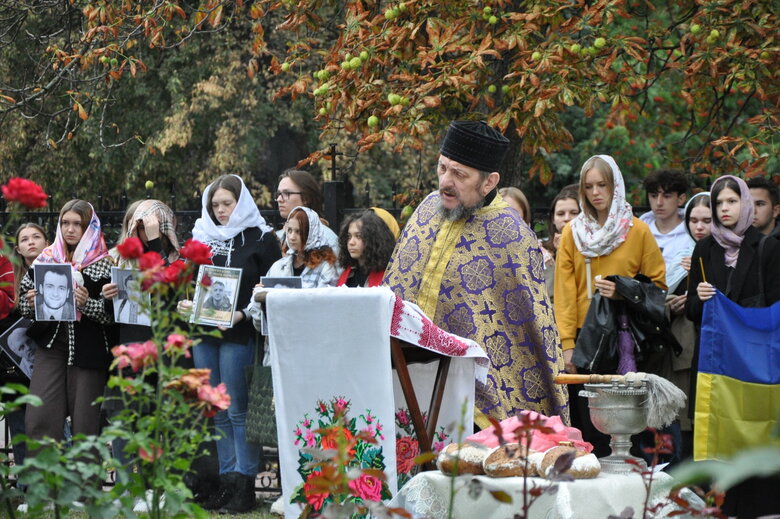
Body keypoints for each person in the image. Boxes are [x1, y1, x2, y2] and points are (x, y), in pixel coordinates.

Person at [384, 120, 568, 428]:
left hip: (474, 397)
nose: (445, 181)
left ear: (489, 182)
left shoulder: (512, 235)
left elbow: (530, 330)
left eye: (459, 174)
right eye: (442, 168)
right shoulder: (426, 211)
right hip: (403, 375)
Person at [181, 174, 281, 514]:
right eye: (215, 205)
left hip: (239, 333)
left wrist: (242, 313)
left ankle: (245, 484)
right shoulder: (202, 236)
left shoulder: (261, 238)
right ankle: (226, 482)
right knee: (216, 409)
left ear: (242, 203)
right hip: (204, 332)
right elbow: (191, 281)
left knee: (237, 408)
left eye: (227, 203)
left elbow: (271, 287)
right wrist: (187, 303)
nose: (221, 210)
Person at [554, 155, 666, 456]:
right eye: (589, 186)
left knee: (628, 424)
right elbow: (564, 293)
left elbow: (658, 287)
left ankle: (630, 480)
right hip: (586, 339)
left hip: (627, 338)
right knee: (589, 423)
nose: (595, 193)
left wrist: (622, 292)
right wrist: (567, 344)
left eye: (602, 185)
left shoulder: (638, 230)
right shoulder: (572, 232)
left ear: (615, 186)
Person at [685, 176, 780, 517]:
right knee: (715, 436)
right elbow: (692, 312)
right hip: (713, 363)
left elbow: (774, 310)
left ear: (745, 204)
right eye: (718, 203)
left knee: (753, 431)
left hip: (753, 364)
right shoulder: (704, 249)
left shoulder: (767, 247)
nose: (724, 209)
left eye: (732, 201)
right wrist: (698, 298)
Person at [18, 199, 114, 448]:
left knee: (85, 427)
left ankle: (85, 475)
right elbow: (23, 304)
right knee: (39, 419)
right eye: (65, 223)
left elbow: (111, 316)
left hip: (88, 352)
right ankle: (43, 474)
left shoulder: (104, 263)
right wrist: (31, 302)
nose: (70, 229)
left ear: (89, 227)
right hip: (51, 348)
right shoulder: (46, 258)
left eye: (77, 224)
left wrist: (86, 303)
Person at [664, 191, 710, 460]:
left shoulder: (725, 256)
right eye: (694, 220)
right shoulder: (679, 256)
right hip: (681, 352)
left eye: (707, 220)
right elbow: (659, 295)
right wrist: (670, 304)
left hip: (710, 350)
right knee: (682, 425)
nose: (699, 227)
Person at [640, 169, 693, 292]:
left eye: (667, 196)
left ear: (681, 199)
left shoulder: (693, 232)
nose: (659, 202)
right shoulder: (639, 230)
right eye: (654, 196)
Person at [261, 206, 340, 287]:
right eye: (289, 230)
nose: (292, 237)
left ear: (311, 233)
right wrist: (260, 291)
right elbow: (266, 292)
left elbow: (327, 294)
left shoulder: (325, 267)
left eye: (298, 232)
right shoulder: (279, 266)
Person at [274, 169, 339, 253]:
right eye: (278, 194)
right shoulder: (277, 237)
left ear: (306, 198)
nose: (279, 199)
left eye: (287, 193)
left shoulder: (326, 240)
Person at [336, 208, 398, 287]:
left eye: (358, 236)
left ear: (374, 239)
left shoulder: (388, 276)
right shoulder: (346, 275)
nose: (351, 242)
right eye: (349, 236)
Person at [540, 185, 580, 300]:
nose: (567, 218)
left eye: (574, 213)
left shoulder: (593, 248)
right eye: (561, 214)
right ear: (553, 219)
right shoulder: (543, 252)